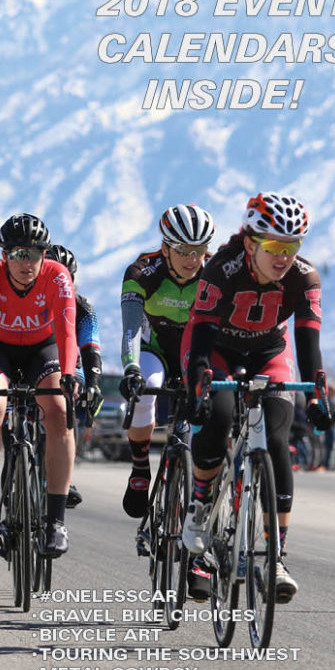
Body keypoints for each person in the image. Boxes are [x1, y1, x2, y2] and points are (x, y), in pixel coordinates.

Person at [182, 192, 334, 603]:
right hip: (217, 350)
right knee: (217, 416)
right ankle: (200, 505)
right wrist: (198, 387)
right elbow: (201, 339)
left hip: (269, 353)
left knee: (278, 438)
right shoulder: (222, 269)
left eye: (292, 246)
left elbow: (308, 344)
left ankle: (277, 557)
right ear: (251, 243)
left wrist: (317, 396)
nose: (283, 256)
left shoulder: (305, 277)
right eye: (274, 246)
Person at [0, 214, 78, 557]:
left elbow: (67, 333)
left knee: (58, 410)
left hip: (41, 350)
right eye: (18, 255)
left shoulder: (57, 276)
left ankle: (56, 520)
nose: (26, 263)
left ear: (45, 254)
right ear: (4, 256)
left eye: (34, 254)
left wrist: (69, 374)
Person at [119, 205, 215, 520]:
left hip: (195, 354)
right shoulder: (142, 272)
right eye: (183, 250)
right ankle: (140, 469)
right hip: (155, 351)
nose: (192, 259)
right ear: (165, 248)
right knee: (146, 389)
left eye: (199, 250)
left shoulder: (214, 274)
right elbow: (131, 329)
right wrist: (131, 369)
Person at [45, 245, 102, 508]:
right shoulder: (27, 300)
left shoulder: (83, 308)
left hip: (68, 366)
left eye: (66, 277)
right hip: (32, 362)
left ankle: (64, 476)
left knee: (70, 399)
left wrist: (94, 385)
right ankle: (14, 460)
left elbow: (91, 348)